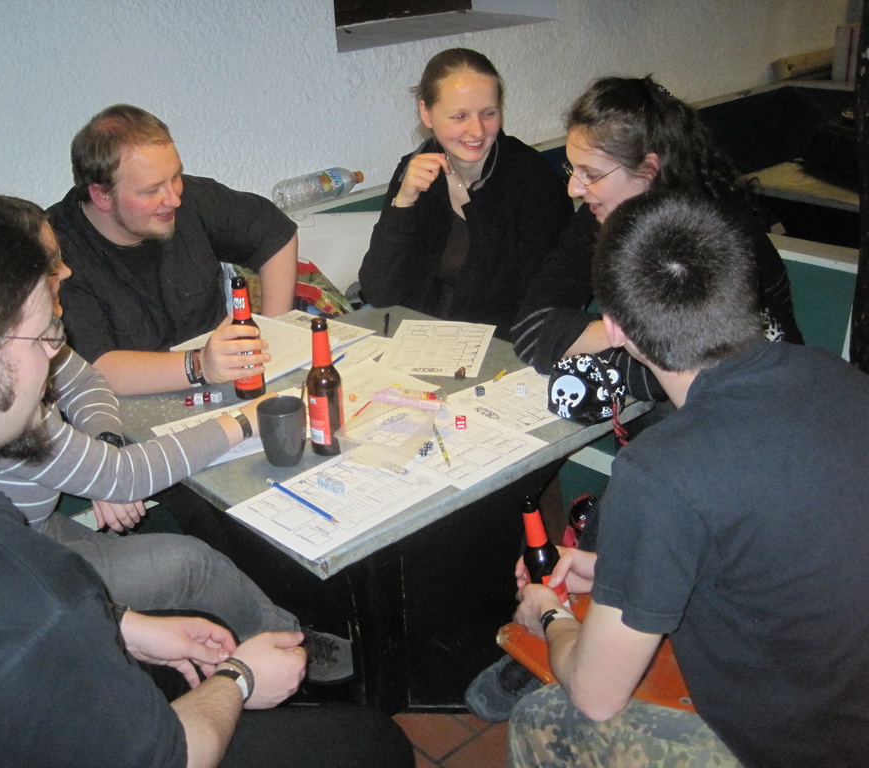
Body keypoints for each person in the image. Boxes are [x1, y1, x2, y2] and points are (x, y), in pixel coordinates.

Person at [0, 193, 413, 768]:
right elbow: (169, 754)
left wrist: (122, 623)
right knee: (375, 744)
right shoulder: (34, 597)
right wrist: (240, 678)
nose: (54, 356)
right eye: (44, 337)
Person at [507, 191, 869, 768]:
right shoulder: (837, 376)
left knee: (543, 721)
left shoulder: (659, 472)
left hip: (810, 749)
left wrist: (551, 614)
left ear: (614, 328)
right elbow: (760, 537)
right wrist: (614, 567)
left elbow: (598, 696)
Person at [0, 199, 351, 682]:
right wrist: (242, 422)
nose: (67, 271)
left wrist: (107, 441)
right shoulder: (4, 391)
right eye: (54, 263)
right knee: (192, 564)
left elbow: (85, 381)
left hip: (29, 526)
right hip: (13, 564)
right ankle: (292, 651)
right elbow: (125, 476)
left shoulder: (28, 339)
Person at [511, 75, 803, 399]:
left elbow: (683, 375)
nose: (574, 189)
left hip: (756, 403)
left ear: (648, 169)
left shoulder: (715, 235)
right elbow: (531, 329)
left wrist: (603, 341)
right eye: (572, 170)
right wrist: (632, 334)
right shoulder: (602, 215)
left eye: (590, 174)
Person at [49, 104, 298, 396]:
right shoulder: (54, 251)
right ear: (102, 195)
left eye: (176, 177)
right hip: (130, 408)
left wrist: (273, 335)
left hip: (222, 388)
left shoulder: (190, 199)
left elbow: (275, 233)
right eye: (151, 190)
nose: (174, 199)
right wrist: (200, 365)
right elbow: (95, 370)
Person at [357, 48, 572, 337]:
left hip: (498, 347)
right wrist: (403, 203)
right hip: (417, 340)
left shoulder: (532, 179)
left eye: (489, 113)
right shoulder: (414, 169)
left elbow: (543, 304)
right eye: (459, 116)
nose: (477, 130)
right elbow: (380, 292)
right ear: (426, 113)